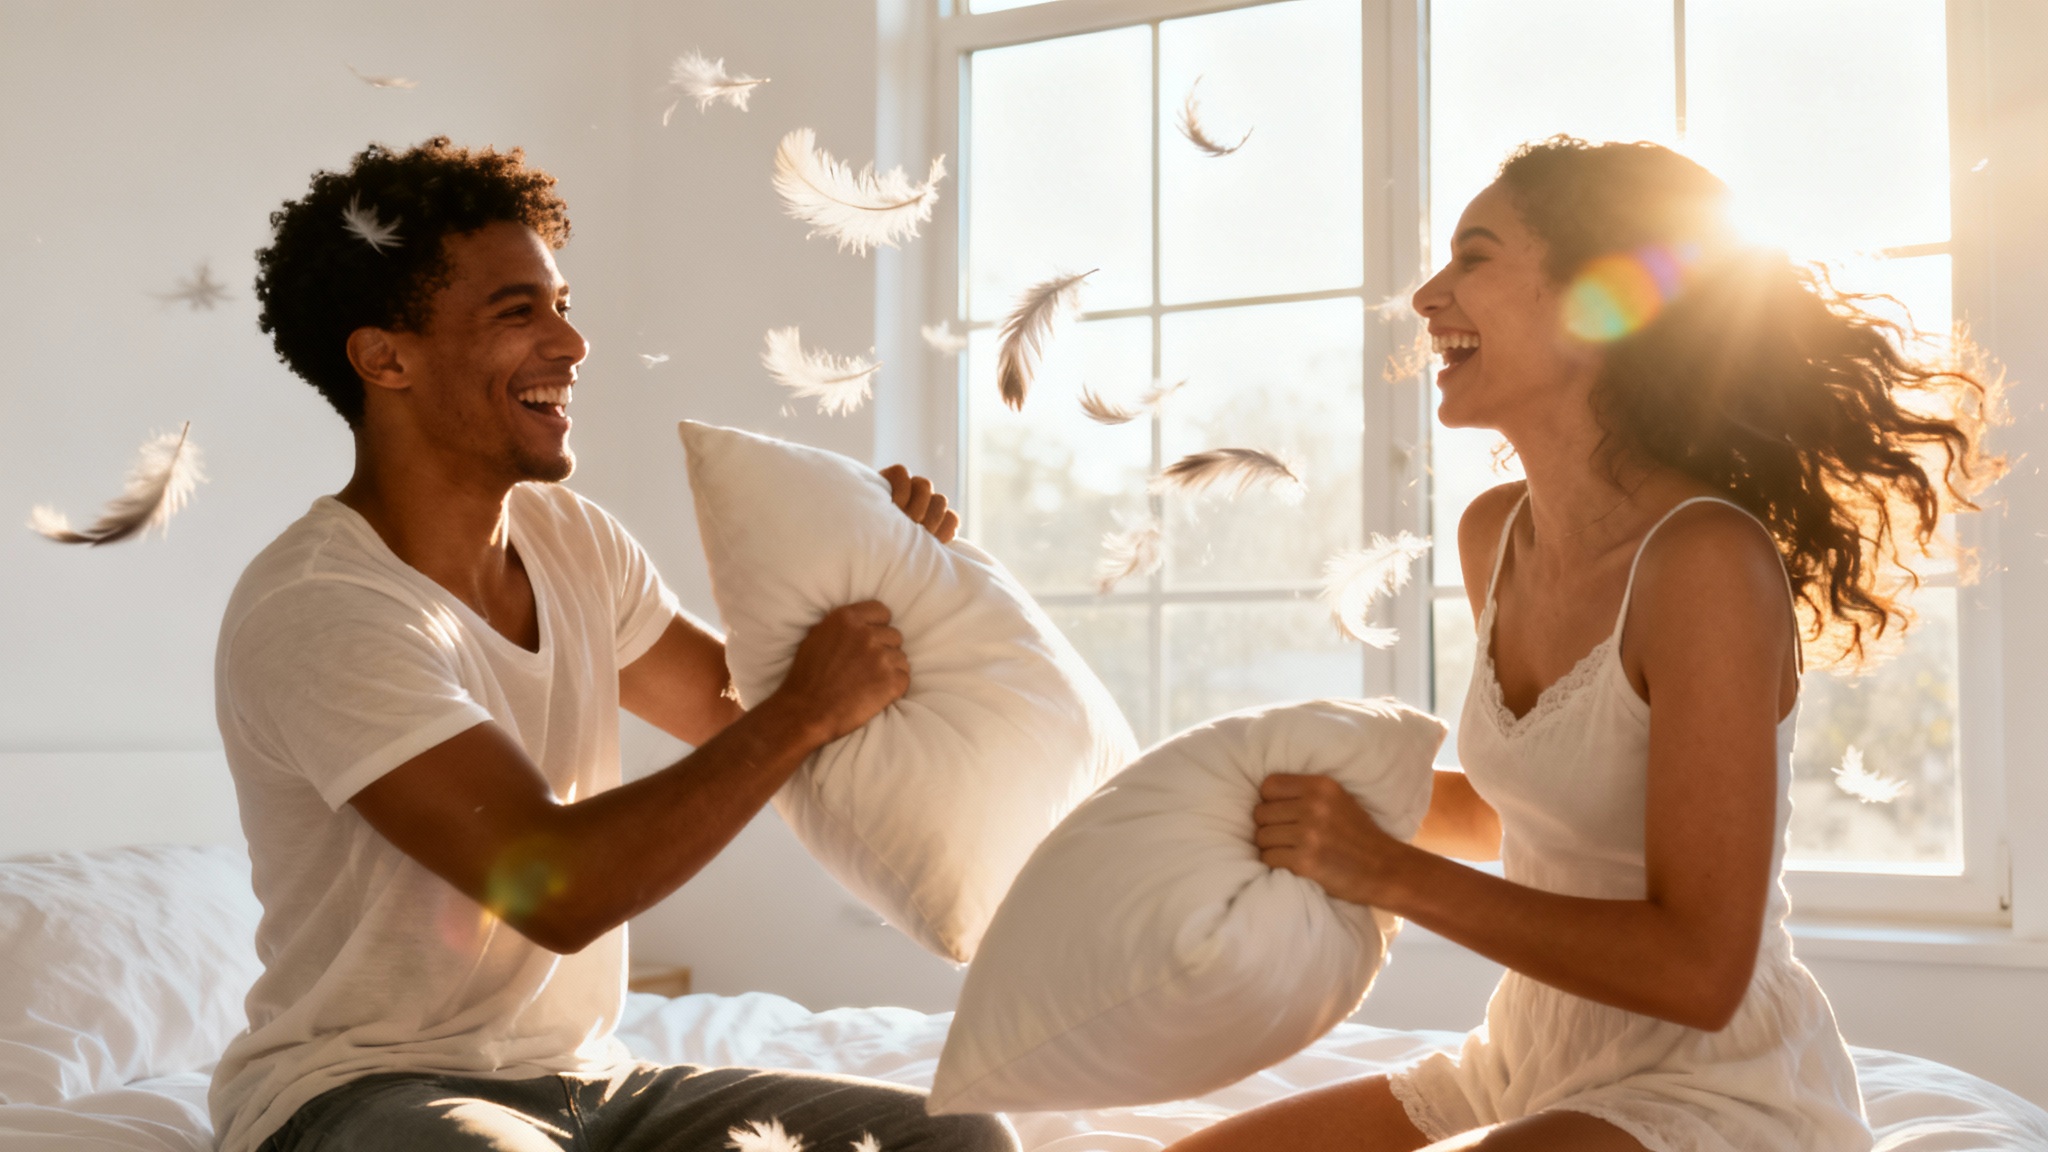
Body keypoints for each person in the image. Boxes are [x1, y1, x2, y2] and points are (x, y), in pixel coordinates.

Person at [1171, 137, 1998, 1152]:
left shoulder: (1701, 560)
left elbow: (1699, 971)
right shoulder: (1493, 533)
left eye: (1471, 258)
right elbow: (1527, 810)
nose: (1427, 295)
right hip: (1524, 1061)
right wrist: (1290, 803)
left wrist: (1382, 869)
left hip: (1714, 1094)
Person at [209, 137, 1014, 1152]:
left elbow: (736, 705)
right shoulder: (322, 609)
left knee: (959, 1138)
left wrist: (885, 568)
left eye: (561, 302)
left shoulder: (573, 540)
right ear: (386, 357)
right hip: (361, 1096)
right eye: (519, 312)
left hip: (594, 1088)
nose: (573, 343)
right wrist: (807, 704)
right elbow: (554, 886)